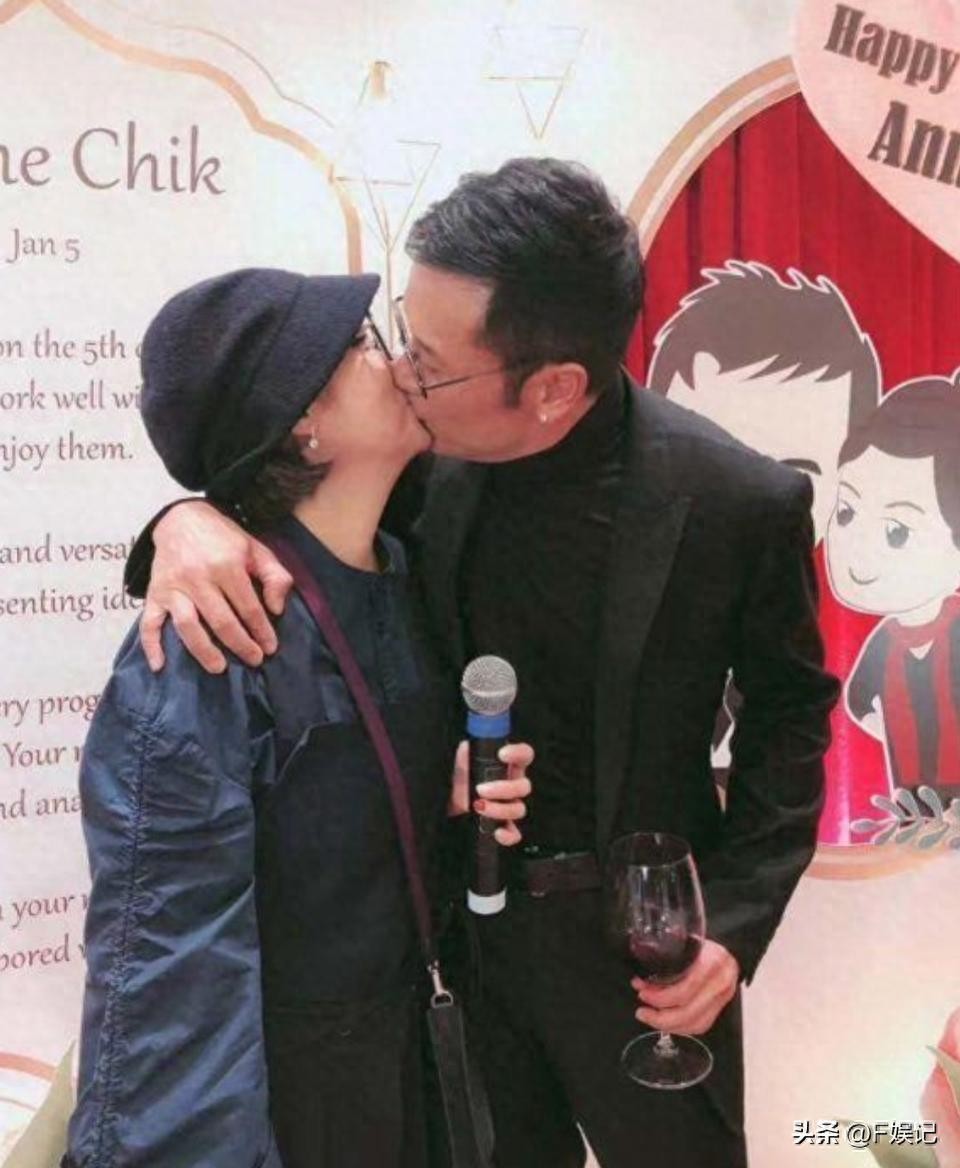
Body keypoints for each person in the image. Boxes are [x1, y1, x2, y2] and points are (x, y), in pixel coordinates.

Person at [126, 159, 841, 1168]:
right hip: (461, 956)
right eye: (402, 339)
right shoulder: (421, 467)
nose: (401, 375)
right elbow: (280, 484)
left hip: (650, 960)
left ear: (552, 388)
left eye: (429, 361)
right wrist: (181, 519)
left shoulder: (739, 501)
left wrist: (731, 921)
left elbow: (791, 714)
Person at [64, 268, 533, 1168]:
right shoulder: (212, 636)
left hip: (409, 1064)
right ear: (302, 421)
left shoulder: (400, 570)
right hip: (292, 1104)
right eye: (363, 344)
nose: (395, 359)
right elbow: (170, 960)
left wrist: (434, 793)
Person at [826, 372, 960, 800]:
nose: (859, 551)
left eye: (896, 532)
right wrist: (896, 731)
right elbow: (859, 702)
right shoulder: (885, 641)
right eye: (846, 512)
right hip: (910, 797)